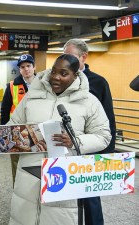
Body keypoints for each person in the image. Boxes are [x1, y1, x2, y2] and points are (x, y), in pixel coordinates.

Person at [6, 54, 111, 225]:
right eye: (54, 71)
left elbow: (104, 135)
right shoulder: (31, 97)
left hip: (62, 179)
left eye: (63, 74)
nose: (55, 77)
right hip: (29, 178)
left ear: (75, 76)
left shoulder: (89, 102)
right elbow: (13, 126)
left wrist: (75, 141)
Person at [63, 39, 116, 225]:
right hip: (65, 149)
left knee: (91, 197)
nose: (67, 61)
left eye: (71, 57)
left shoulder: (98, 82)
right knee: (66, 198)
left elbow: (108, 120)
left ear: (83, 57)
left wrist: (106, 154)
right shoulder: (61, 80)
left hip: (91, 149)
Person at [0, 54, 36, 184]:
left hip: (37, 131)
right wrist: (5, 133)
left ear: (34, 67)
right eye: (22, 67)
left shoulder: (43, 85)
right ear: (19, 70)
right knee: (16, 163)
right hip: (16, 131)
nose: (26, 69)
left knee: (36, 163)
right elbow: (5, 110)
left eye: (28, 66)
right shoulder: (11, 86)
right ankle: (18, 190)